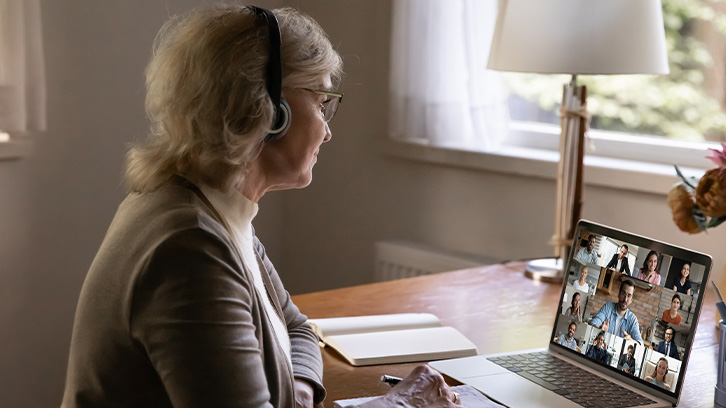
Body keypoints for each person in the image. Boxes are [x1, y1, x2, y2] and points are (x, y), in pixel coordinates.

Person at [61, 5, 460, 408]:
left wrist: (297, 392)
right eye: (321, 101)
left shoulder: (213, 208)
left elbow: (298, 328)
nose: (327, 130)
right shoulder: (190, 246)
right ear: (272, 110)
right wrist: (404, 403)